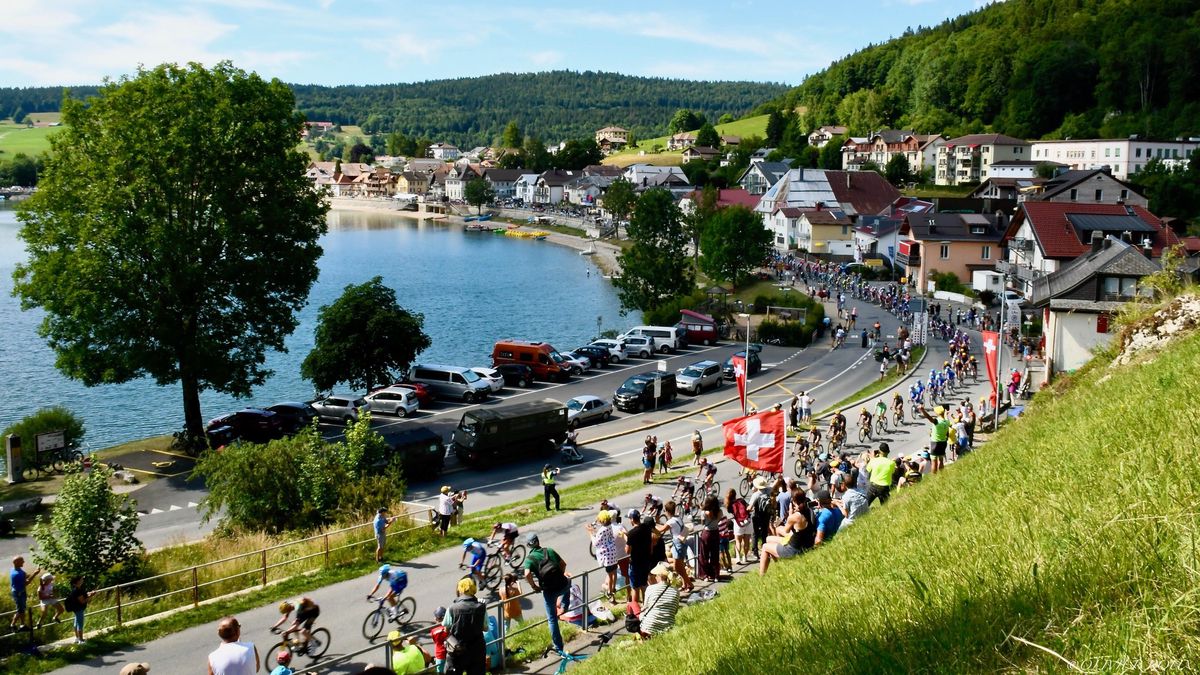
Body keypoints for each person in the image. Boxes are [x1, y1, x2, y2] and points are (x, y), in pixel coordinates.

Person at [522, 533, 571, 653]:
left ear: (528, 545)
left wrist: (534, 586)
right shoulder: (549, 550)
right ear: (538, 541)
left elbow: (527, 574)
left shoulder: (529, 559)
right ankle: (565, 605)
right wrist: (560, 574)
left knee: (552, 619)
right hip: (562, 585)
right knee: (569, 580)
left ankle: (559, 647)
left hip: (549, 590)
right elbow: (563, 564)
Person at [759, 492, 813, 576]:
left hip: (793, 549)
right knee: (768, 539)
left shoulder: (795, 516)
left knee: (765, 546)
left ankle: (761, 576)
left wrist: (790, 514)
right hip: (803, 544)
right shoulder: (808, 510)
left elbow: (787, 530)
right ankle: (779, 563)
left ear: (794, 502)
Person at [443, 577, 486, 675]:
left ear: (460, 589)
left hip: (457, 649)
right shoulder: (481, 607)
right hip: (477, 649)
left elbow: (446, 629)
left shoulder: (452, 608)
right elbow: (485, 628)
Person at [634, 562, 681, 638]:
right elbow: (674, 611)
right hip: (668, 628)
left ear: (659, 575)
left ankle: (636, 634)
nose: (655, 577)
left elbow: (645, 607)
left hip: (648, 628)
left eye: (655, 575)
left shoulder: (650, 588)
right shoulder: (676, 591)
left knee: (633, 604)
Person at [586, 510, 621, 602]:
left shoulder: (602, 530)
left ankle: (610, 593)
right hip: (613, 553)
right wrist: (594, 531)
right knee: (614, 573)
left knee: (609, 575)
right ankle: (613, 589)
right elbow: (601, 534)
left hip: (607, 556)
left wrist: (590, 533)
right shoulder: (609, 527)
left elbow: (595, 543)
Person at [663, 501, 695, 593]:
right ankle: (685, 584)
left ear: (667, 511)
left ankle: (690, 584)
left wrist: (652, 526)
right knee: (680, 566)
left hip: (678, 544)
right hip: (681, 543)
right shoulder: (677, 518)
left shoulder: (670, 522)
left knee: (677, 567)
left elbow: (661, 530)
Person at [623, 510, 654, 603]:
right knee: (644, 584)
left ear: (632, 519)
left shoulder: (632, 533)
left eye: (629, 519)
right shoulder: (647, 528)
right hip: (646, 560)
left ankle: (635, 611)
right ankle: (646, 605)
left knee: (635, 587)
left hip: (635, 563)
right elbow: (651, 542)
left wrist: (625, 539)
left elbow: (627, 551)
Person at [916, 404, 951, 473]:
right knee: (941, 460)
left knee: (934, 461)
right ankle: (941, 473)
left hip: (935, 443)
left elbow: (928, 417)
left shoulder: (937, 422)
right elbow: (946, 418)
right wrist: (946, 414)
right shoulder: (947, 421)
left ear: (937, 413)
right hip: (943, 442)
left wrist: (922, 410)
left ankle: (934, 477)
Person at [9, 555, 40, 630]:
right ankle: (17, 625)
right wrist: (35, 574)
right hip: (19, 593)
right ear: (16, 562)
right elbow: (26, 583)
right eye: (21, 560)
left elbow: (24, 576)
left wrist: (30, 574)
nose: (23, 562)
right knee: (21, 610)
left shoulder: (14, 569)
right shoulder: (17, 574)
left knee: (21, 609)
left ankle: (17, 625)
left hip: (17, 592)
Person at [697, 496, 723, 582]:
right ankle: (715, 575)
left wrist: (702, 509)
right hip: (715, 532)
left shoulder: (704, 513)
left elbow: (702, 522)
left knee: (704, 555)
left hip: (706, 533)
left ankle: (705, 575)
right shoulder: (720, 512)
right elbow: (718, 520)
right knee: (715, 555)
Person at [63, 575, 95, 644]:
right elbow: (82, 601)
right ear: (77, 582)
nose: (82, 580)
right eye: (81, 579)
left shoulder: (77, 589)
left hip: (76, 608)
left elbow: (83, 597)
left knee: (76, 623)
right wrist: (91, 596)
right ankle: (81, 640)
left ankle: (77, 638)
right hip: (79, 608)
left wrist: (89, 594)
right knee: (80, 624)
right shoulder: (77, 591)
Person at [724, 489, 752, 565]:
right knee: (746, 541)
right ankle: (745, 557)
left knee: (738, 541)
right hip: (747, 522)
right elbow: (748, 508)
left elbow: (731, 512)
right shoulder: (741, 500)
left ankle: (738, 557)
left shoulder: (729, 505)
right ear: (735, 495)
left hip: (738, 523)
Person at [749, 476, 773, 559]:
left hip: (757, 515)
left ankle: (755, 551)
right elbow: (774, 486)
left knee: (755, 533)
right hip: (766, 515)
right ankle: (765, 549)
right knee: (764, 532)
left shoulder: (756, 495)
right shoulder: (769, 490)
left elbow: (750, 507)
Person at [430, 607, 449, 673]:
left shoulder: (433, 630)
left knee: (440, 671)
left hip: (440, 654)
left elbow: (435, 641)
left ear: (437, 618)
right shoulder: (449, 627)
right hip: (449, 652)